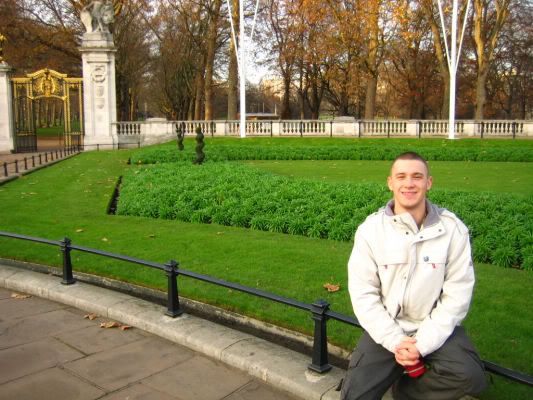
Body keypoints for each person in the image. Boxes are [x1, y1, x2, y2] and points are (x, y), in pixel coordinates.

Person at [341, 152, 487, 400]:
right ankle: (399, 369)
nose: (409, 183)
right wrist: (396, 341)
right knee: (354, 395)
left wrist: (421, 344)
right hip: (388, 326)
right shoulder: (370, 230)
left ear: (428, 183)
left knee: (470, 378)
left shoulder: (453, 230)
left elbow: (457, 296)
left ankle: (406, 391)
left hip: (434, 326)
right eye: (401, 177)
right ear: (390, 183)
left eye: (417, 177)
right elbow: (363, 294)